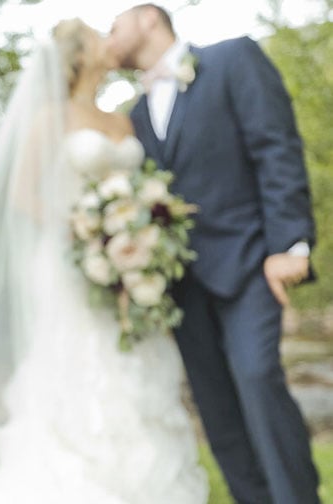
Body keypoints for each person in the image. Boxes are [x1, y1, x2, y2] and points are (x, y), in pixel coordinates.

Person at [0, 18, 208, 503]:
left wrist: (138, 233)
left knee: (137, 365)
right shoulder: (49, 117)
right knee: (81, 365)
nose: (108, 42)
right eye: (99, 38)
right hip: (70, 264)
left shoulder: (121, 119)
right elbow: (23, 195)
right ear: (77, 56)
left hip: (132, 269)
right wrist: (88, 230)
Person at [108, 4, 319, 503]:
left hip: (250, 264)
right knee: (216, 408)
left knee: (258, 378)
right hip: (177, 284)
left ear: (148, 19)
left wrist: (289, 243)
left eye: (114, 26)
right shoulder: (133, 115)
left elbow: (276, 146)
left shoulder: (232, 58)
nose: (108, 39)